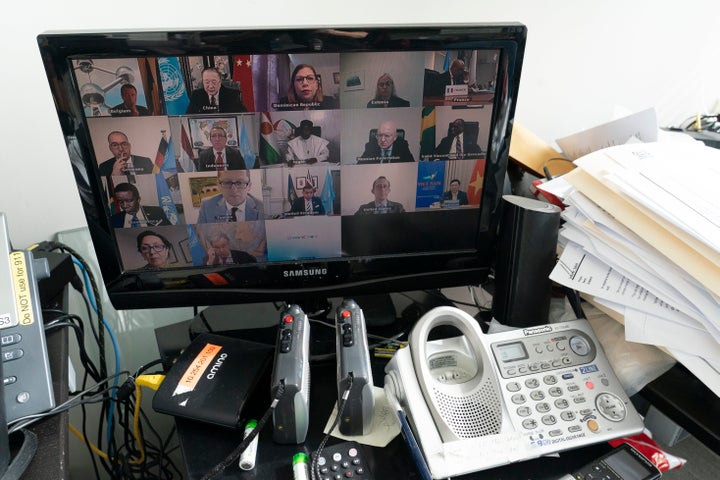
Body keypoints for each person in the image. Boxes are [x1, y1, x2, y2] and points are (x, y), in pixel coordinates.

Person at [197, 169, 264, 223]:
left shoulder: (262, 207)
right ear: (219, 186)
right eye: (227, 182)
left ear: (249, 186)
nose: (234, 189)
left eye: (239, 183)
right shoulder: (206, 206)